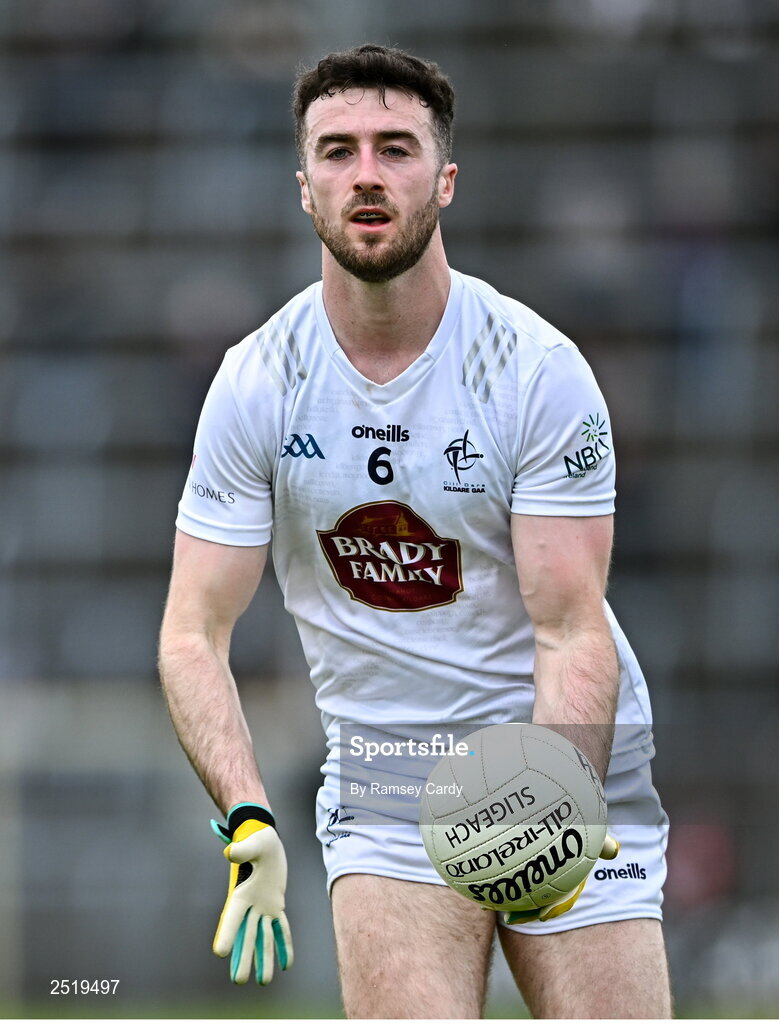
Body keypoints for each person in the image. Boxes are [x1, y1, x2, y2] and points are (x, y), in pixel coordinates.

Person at [158, 43, 672, 1018]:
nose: (364, 173)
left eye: (393, 148)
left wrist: (560, 789)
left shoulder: (534, 370)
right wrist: (246, 814)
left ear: (443, 178)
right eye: (336, 150)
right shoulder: (258, 382)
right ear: (302, 186)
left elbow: (570, 626)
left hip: (553, 753)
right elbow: (192, 631)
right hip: (385, 781)